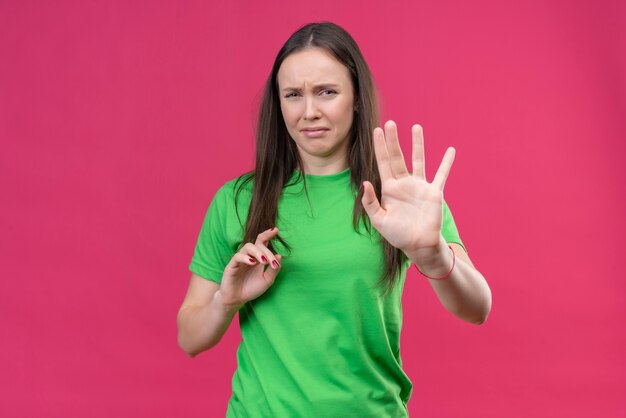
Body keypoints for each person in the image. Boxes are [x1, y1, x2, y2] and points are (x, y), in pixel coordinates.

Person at [177, 22, 491, 417]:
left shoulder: (402, 198)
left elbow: (477, 308)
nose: (309, 112)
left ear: (356, 98)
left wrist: (432, 255)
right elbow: (189, 338)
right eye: (293, 95)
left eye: (327, 92)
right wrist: (227, 300)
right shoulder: (238, 200)